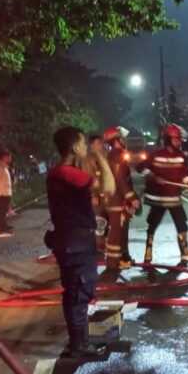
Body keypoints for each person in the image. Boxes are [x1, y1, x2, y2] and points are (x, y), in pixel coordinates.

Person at [45, 126, 113, 361]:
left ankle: (78, 342)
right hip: (76, 242)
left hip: (70, 240)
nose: (86, 147)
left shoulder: (60, 174)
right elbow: (108, 187)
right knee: (79, 293)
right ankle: (78, 346)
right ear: (75, 147)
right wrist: (101, 159)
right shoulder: (68, 174)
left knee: (74, 292)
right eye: (83, 144)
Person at [137, 123, 188, 264]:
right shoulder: (156, 155)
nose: (179, 142)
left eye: (179, 139)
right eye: (176, 139)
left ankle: (185, 252)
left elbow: (183, 174)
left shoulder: (180, 156)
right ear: (168, 139)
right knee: (153, 224)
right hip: (158, 198)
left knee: (181, 223)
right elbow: (140, 167)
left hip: (173, 197)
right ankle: (148, 251)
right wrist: (154, 177)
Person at [102, 126, 141, 273]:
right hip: (117, 201)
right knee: (117, 232)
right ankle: (113, 262)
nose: (124, 140)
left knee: (122, 230)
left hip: (117, 200)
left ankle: (124, 258)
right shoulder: (118, 155)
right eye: (122, 138)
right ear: (117, 140)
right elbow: (120, 179)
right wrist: (131, 197)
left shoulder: (113, 154)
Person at [0, 151, 14, 236]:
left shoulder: (5, 167)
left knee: (4, 211)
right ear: (4, 157)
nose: (10, 159)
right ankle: (2, 230)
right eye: (9, 157)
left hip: (6, 193)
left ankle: (4, 226)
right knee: (1, 212)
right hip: (1, 194)